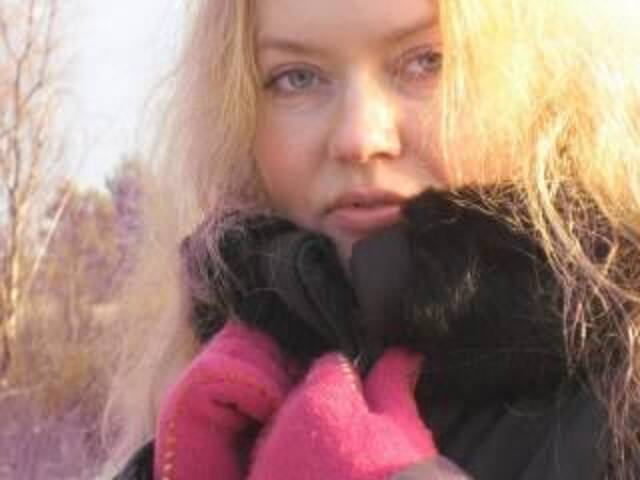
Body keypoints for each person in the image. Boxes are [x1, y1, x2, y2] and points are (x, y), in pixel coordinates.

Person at [101, 0, 640, 478]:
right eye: (297, 78)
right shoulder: (205, 405)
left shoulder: (623, 399)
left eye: (427, 61)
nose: (359, 137)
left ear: (547, 80)